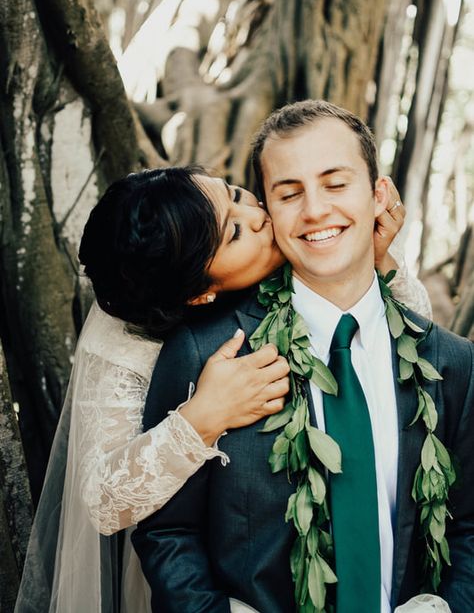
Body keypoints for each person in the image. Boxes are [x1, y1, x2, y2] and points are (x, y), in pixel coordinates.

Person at [16, 163, 428, 613]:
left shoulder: (296, 242)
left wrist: (379, 262)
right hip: (195, 574)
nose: (256, 214)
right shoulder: (124, 341)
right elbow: (104, 500)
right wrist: (204, 416)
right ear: (198, 293)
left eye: (234, 193)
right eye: (234, 232)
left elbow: (419, 354)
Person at [132, 101, 473, 613]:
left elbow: (468, 526)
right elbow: (166, 530)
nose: (315, 210)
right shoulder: (210, 355)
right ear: (268, 211)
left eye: (336, 184)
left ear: (379, 195)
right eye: (289, 194)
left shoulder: (452, 363)